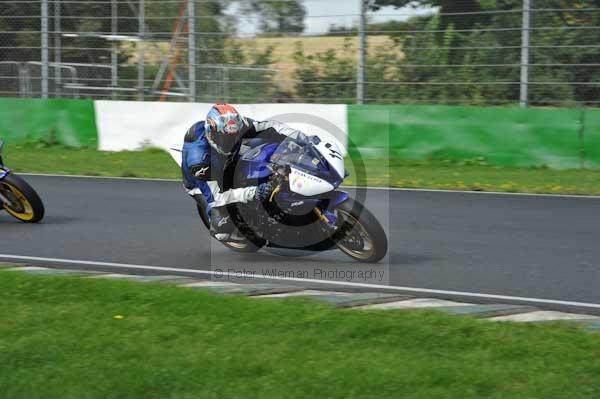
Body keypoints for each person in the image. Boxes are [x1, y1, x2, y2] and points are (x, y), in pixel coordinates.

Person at [181, 103, 304, 241]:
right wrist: (256, 192)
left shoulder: (236, 126)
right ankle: (225, 230)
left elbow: (269, 126)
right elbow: (219, 197)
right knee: (222, 222)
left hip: (228, 160)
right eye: (226, 138)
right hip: (206, 183)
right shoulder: (199, 161)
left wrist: (300, 137)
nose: (231, 141)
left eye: (234, 136)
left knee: (267, 146)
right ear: (212, 132)